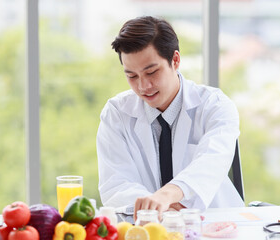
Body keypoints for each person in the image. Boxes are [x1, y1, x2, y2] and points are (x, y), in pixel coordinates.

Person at [97, 16, 244, 219]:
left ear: (175, 60)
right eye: (131, 76)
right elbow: (116, 184)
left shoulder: (215, 105)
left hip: (215, 223)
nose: (143, 86)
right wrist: (159, 209)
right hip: (150, 229)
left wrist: (167, 195)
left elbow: (211, 162)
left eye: (152, 72)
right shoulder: (116, 113)